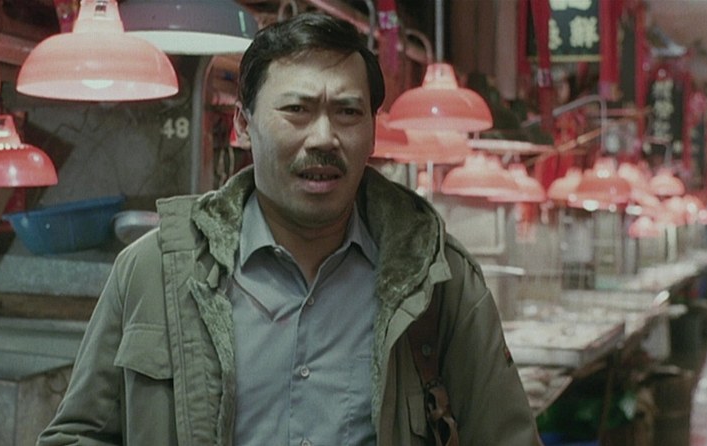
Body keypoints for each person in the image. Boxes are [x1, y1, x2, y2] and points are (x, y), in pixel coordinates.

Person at [37, 12, 541, 446]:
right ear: (243, 125)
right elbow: (78, 435)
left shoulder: (439, 282)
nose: (323, 138)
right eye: (297, 110)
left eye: (347, 112)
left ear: (373, 131)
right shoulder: (154, 272)